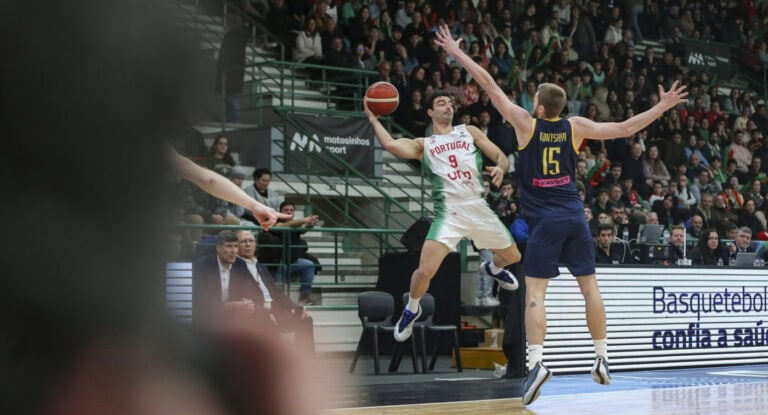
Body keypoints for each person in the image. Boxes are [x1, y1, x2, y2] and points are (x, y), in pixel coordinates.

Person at [435, 23, 688, 405]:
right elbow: (624, 127)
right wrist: (662, 105)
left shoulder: (525, 124)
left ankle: (537, 364)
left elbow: (488, 83)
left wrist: (456, 51)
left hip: (545, 222)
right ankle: (602, 357)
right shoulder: (576, 127)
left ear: (538, 106)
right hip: (575, 215)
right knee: (590, 287)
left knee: (535, 294)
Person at [364, 90, 522, 343]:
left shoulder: (469, 131)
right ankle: (412, 308)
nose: (448, 106)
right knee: (425, 271)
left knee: (513, 256)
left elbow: (500, 156)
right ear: (430, 112)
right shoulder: (423, 145)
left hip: (478, 207)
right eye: (441, 103)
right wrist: (372, 118)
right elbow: (391, 145)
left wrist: (501, 169)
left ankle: (493, 267)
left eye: (450, 103)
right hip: (449, 213)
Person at [237, 230, 316, 352]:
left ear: (255, 244)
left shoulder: (260, 266)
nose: (248, 245)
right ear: (237, 245)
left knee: (304, 318)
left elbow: (276, 291)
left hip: (274, 311)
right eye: (243, 241)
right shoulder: (236, 268)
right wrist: (265, 314)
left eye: (251, 241)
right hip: (257, 314)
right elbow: (242, 297)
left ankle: (306, 362)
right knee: (270, 329)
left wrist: (294, 307)